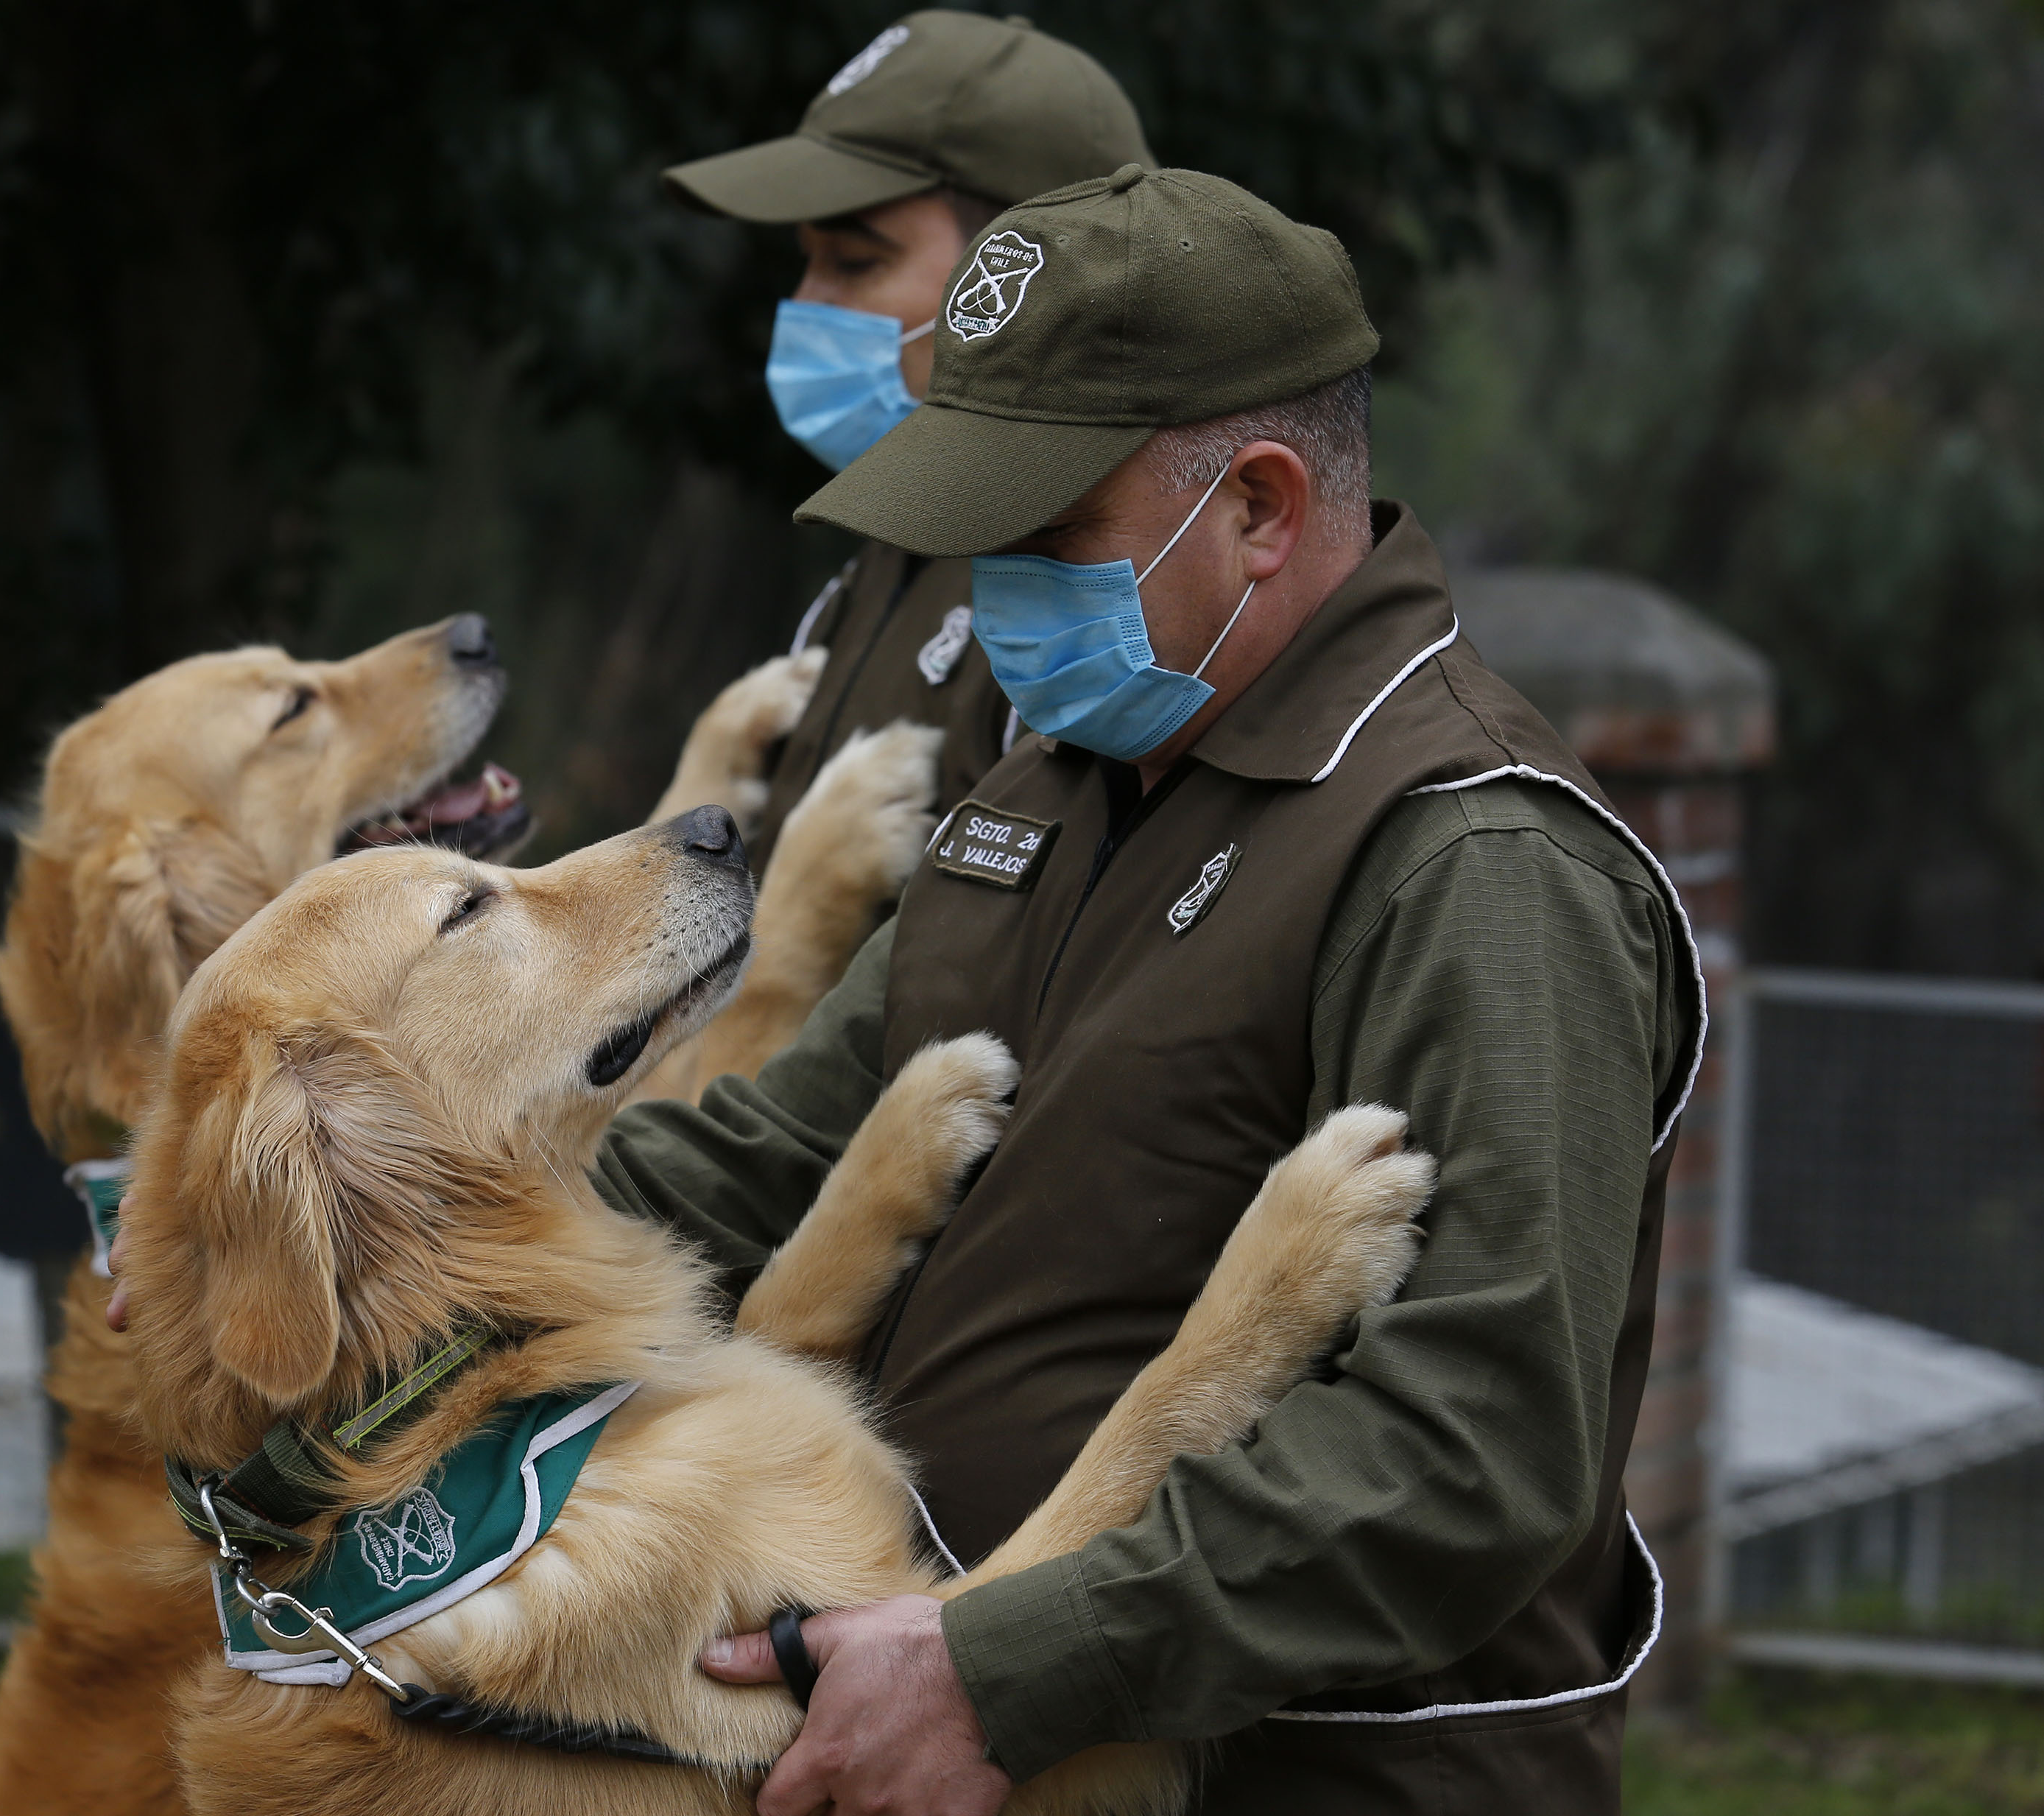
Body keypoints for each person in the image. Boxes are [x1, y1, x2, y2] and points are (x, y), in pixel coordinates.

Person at [595, 165, 1703, 1814]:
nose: (987, 601)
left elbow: (1466, 1453)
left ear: (1257, 506)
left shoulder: (1470, 861)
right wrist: (395, 1238)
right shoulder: (1052, 778)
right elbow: (773, 1150)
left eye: (1043, 539)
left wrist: (1006, 1668)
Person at [663, 11, 1151, 877]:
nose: (806, 304)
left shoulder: (1101, 609)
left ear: (1024, 278)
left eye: (854, 263)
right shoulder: (879, 565)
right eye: (805, 261)